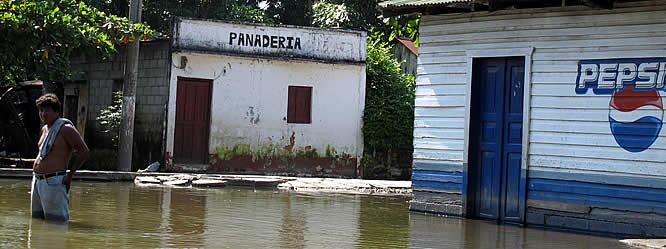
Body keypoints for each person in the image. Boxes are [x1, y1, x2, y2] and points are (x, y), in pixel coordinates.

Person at [32, 93, 89, 222]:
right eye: (41, 110)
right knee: (36, 222)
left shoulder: (65, 129)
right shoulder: (45, 129)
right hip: (37, 181)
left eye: (47, 110)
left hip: (54, 182)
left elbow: (84, 152)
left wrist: (70, 175)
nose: (43, 114)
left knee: (56, 223)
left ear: (56, 111)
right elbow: (43, 154)